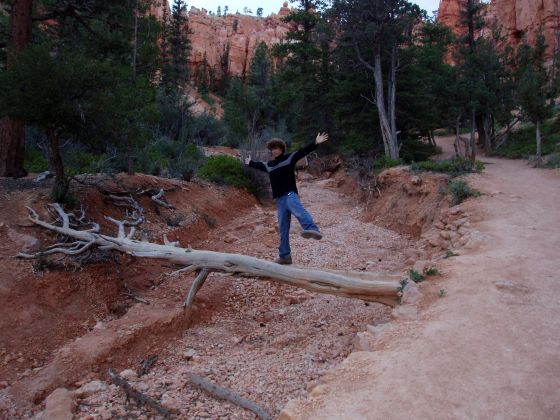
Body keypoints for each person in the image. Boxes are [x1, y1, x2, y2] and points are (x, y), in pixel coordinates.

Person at [245, 132, 329, 265]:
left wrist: (315, 143)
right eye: (272, 148)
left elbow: (302, 152)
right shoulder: (269, 165)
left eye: (277, 148)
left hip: (290, 195)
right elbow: (259, 165)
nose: (274, 150)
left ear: (282, 149)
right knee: (283, 229)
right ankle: (285, 256)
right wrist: (249, 162)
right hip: (280, 201)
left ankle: (312, 228)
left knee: (299, 211)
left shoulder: (289, 159)